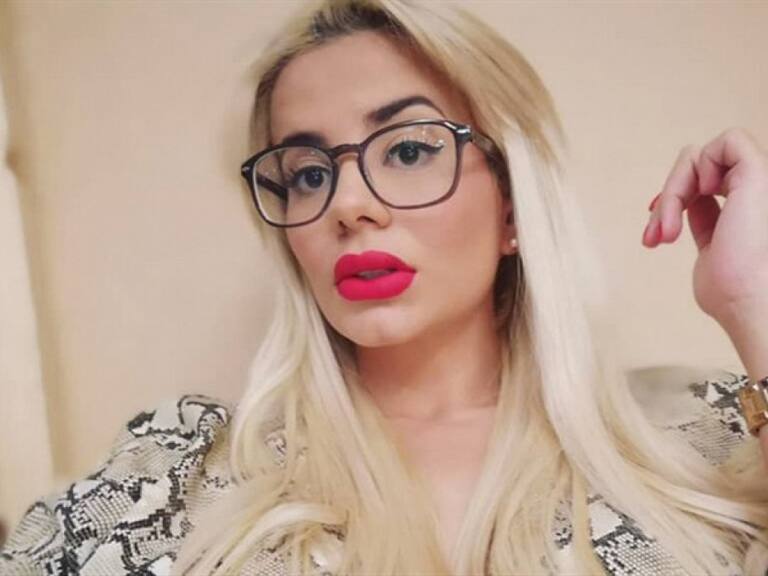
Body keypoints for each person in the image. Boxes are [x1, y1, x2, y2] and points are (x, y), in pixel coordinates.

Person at [3, 1, 768, 575]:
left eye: (406, 150)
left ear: (512, 204)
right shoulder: (175, 476)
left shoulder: (710, 437)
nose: (347, 204)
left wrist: (755, 300)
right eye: (307, 173)